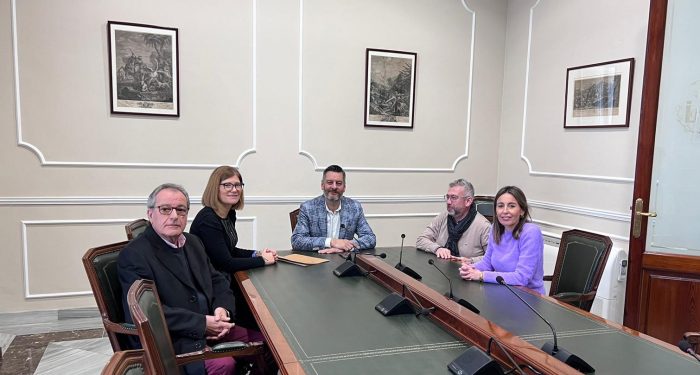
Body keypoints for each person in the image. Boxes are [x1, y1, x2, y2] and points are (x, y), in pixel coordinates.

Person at [118, 183, 265, 375]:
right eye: (165, 209)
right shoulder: (134, 255)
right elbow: (147, 312)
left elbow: (218, 280)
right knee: (223, 365)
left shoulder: (193, 242)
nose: (174, 216)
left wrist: (223, 309)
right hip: (175, 341)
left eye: (181, 210)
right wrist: (203, 324)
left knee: (270, 343)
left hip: (215, 325)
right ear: (150, 213)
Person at [190, 166, 277, 328]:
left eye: (238, 185)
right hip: (212, 284)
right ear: (215, 188)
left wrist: (255, 253)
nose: (234, 190)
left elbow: (229, 249)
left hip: (224, 277)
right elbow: (226, 263)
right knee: (262, 305)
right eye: (227, 185)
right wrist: (262, 261)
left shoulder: (229, 213)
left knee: (268, 298)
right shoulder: (208, 220)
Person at [459, 186, 545, 294]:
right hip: (502, 291)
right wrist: (469, 269)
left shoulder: (531, 232)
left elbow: (521, 278)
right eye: (500, 206)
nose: (505, 211)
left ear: (522, 211)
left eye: (511, 206)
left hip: (528, 296)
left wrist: (481, 275)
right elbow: (487, 263)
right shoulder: (496, 228)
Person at [291, 164, 376, 253]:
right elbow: (297, 241)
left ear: (344, 187)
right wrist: (331, 242)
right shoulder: (308, 208)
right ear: (322, 185)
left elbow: (370, 238)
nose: (334, 187)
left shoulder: (354, 208)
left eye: (339, 183)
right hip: (317, 261)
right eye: (330, 182)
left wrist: (345, 246)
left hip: (344, 261)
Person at [416, 179, 490, 263]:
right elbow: (421, 240)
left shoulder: (483, 225)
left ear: (468, 201)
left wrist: (470, 261)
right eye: (447, 197)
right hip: (441, 269)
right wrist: (437, 249)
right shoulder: (443, 217)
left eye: (453, 198)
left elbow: (492, 258)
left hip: (468, 272)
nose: (448, 202)